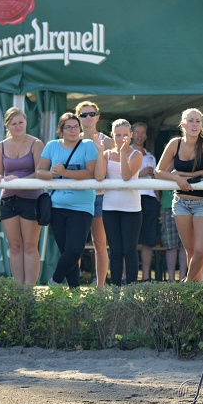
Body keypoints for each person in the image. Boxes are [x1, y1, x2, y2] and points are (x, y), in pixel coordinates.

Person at [35, 113, 98, 288]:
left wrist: (64, 172)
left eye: (76, 127)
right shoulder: (52, 146)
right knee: (67, 253)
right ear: (61, 130)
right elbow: (39, 171)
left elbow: (90, 172)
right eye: (68, 127)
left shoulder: (88, 145)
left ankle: (54, 281)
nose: (73, 130)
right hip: (57, 207)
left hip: (82, 207)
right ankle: (74, 293)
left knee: (74, 250)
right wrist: (51, 174)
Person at [155, 108, 203, 282]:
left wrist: (180, 175)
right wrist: (174, 176)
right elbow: (159, 171)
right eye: (190, 120)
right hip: (181, 201)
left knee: (200, 251)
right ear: (182, 124)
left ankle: (187, 284)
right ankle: (197, 293)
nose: (194, 124)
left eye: (198, 121)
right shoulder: (175, 143)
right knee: (190, 251)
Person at [0, 107, 44, 285]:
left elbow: (40, 172)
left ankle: (29, 289)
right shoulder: (1, 146)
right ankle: (18, 289)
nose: (18, 126)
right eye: (14, 123)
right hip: (8, 200)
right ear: (7, 125)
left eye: (21, 122)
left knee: (30, 245)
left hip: (32, 199)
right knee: (14, 246)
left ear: (26, 122)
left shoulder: (36, 143)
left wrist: (19, 178)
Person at [95, 119, 143, 286]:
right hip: (110, 206)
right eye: (117, 135)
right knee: (115, 250)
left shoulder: (136, 155)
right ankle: (115, 290)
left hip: (132, 207)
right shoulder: (107, 154)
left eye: (125, 135)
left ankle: (130, 290)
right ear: (112, 135)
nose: (121, 138)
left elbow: (126, 176)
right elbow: (100, 177)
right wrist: (101, 152)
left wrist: (123, 152)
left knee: (130, 250)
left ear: (131, 135)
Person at [75, 101, 113, 288]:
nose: (88, 117)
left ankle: (100, 286)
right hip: (76, 198)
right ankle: (73, 285)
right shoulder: (72, 139)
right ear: (78, 118)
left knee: (100, 243)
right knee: (75, 244)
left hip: (100, 197)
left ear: (98, 117)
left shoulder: (108, 142)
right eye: (83, 115)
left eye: (91, 114)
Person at [132, 122, 160, 281]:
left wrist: (157, 199)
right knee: (130, 240)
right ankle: (127, 275)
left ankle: (146, 277)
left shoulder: (151, 157)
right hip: (132, 198)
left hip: (149, 201)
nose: (140, 135)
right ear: (131, 134)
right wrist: (141, 173)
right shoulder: (125, 153)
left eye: (143, 132)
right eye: (137, 132)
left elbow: (155, 180)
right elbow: (123, 176)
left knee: (148, 240)